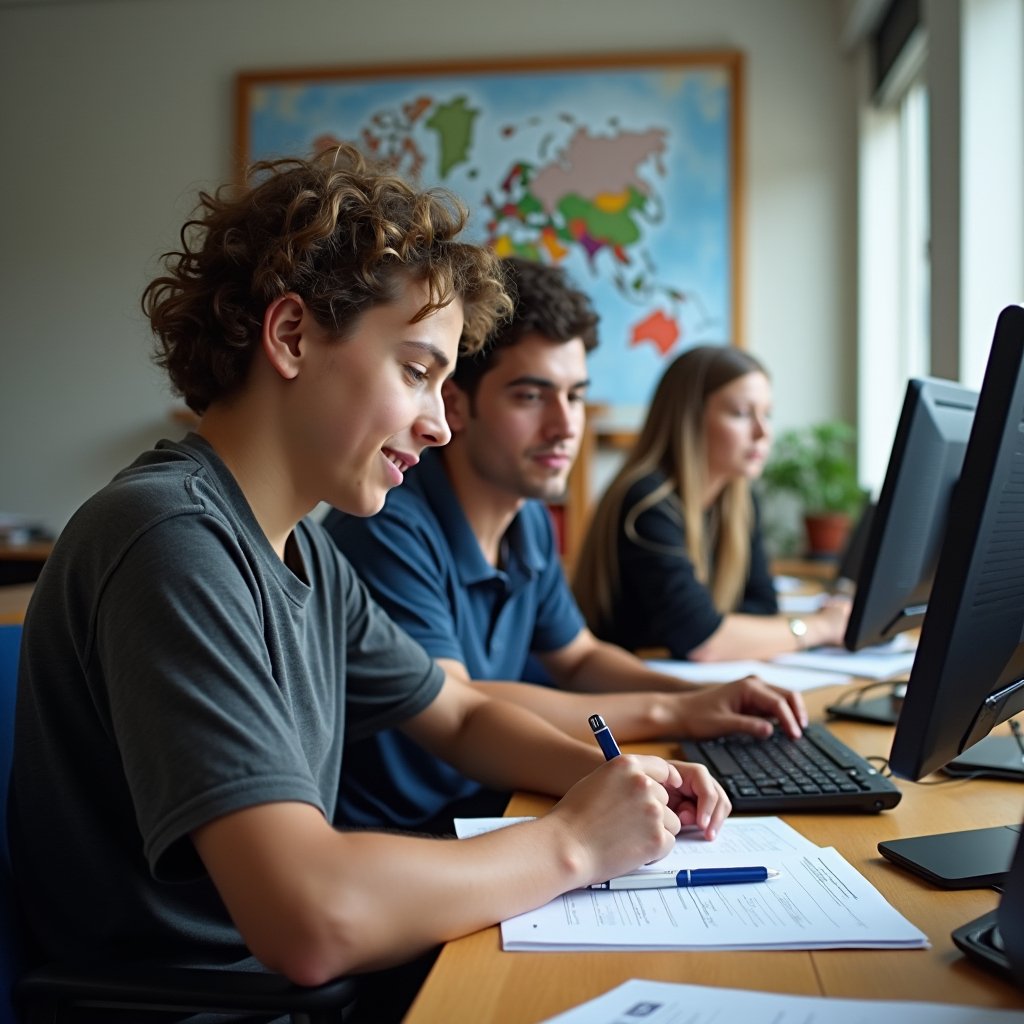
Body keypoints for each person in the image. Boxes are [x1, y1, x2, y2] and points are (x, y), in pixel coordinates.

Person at [8, 147, 731, 1019]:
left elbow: (458, 715)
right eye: (418, 371)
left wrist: (617, 783)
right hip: (207, 1003)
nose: (437, 423)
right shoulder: (172, 540)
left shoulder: (304, 552)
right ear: (290, 336)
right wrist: (574, 842)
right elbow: (310, 918)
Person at [325, 258, 807, 836]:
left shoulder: (526, 518)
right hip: (408, 833)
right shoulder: (389, 522)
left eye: (575, 397)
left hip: (499, 800)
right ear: (457, 405)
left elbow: (578, 657)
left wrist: (704, 696)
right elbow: (461, 702)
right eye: (531, 397)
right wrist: (675, 709)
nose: (564, 427)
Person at [574, 344, 851, 662]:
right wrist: (819, 627)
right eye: (741, 414)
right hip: (625, 692)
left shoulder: (739, 501)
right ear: (689, 419)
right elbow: (700, 639)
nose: (762, 432)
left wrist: (731, 631)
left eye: (767, 414)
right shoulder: (646, 502)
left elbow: (762, 608)